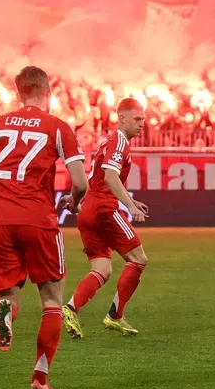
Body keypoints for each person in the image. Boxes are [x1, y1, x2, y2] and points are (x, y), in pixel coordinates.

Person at [0, 65, 88, 389]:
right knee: (52, 302)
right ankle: (39, 379)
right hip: (39, 221)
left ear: (18, 92)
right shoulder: (58, 127)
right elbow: (80, 182)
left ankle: (6, 313)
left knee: (7, 296)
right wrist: (74, 201)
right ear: (48, 92)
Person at [62, 98, 150, 339]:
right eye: (137, 119)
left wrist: (75, 200)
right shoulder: (119, 141)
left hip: (88, 208)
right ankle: (115, 315)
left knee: (102, 268)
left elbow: (96, 177)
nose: (142, 123)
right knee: (138, 259)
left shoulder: (108, 141)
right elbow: (110, 177)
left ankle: (70, 308)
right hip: (103, 209)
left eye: (143, 119)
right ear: (122, 118)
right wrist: (130, 206)